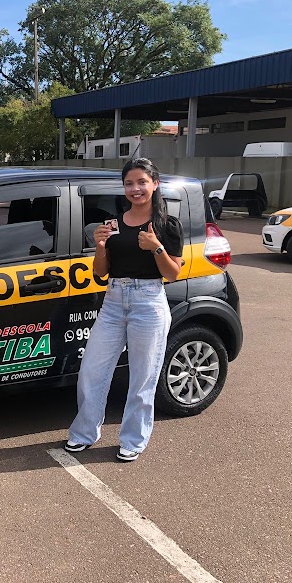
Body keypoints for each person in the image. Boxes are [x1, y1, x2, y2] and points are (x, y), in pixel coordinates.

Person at [64, 158, 184, 462]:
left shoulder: (167, 225)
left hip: (149, 303)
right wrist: (100, 247)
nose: (136, 189)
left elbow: (172, 274)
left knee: (143, 377)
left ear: (154, 184)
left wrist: (156, 246)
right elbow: (100, 273)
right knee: (91, 371)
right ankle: (84, 433)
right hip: (114, 301)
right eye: (129, 183)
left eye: (142, 182)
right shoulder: (112, 224)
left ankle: (133, 439)